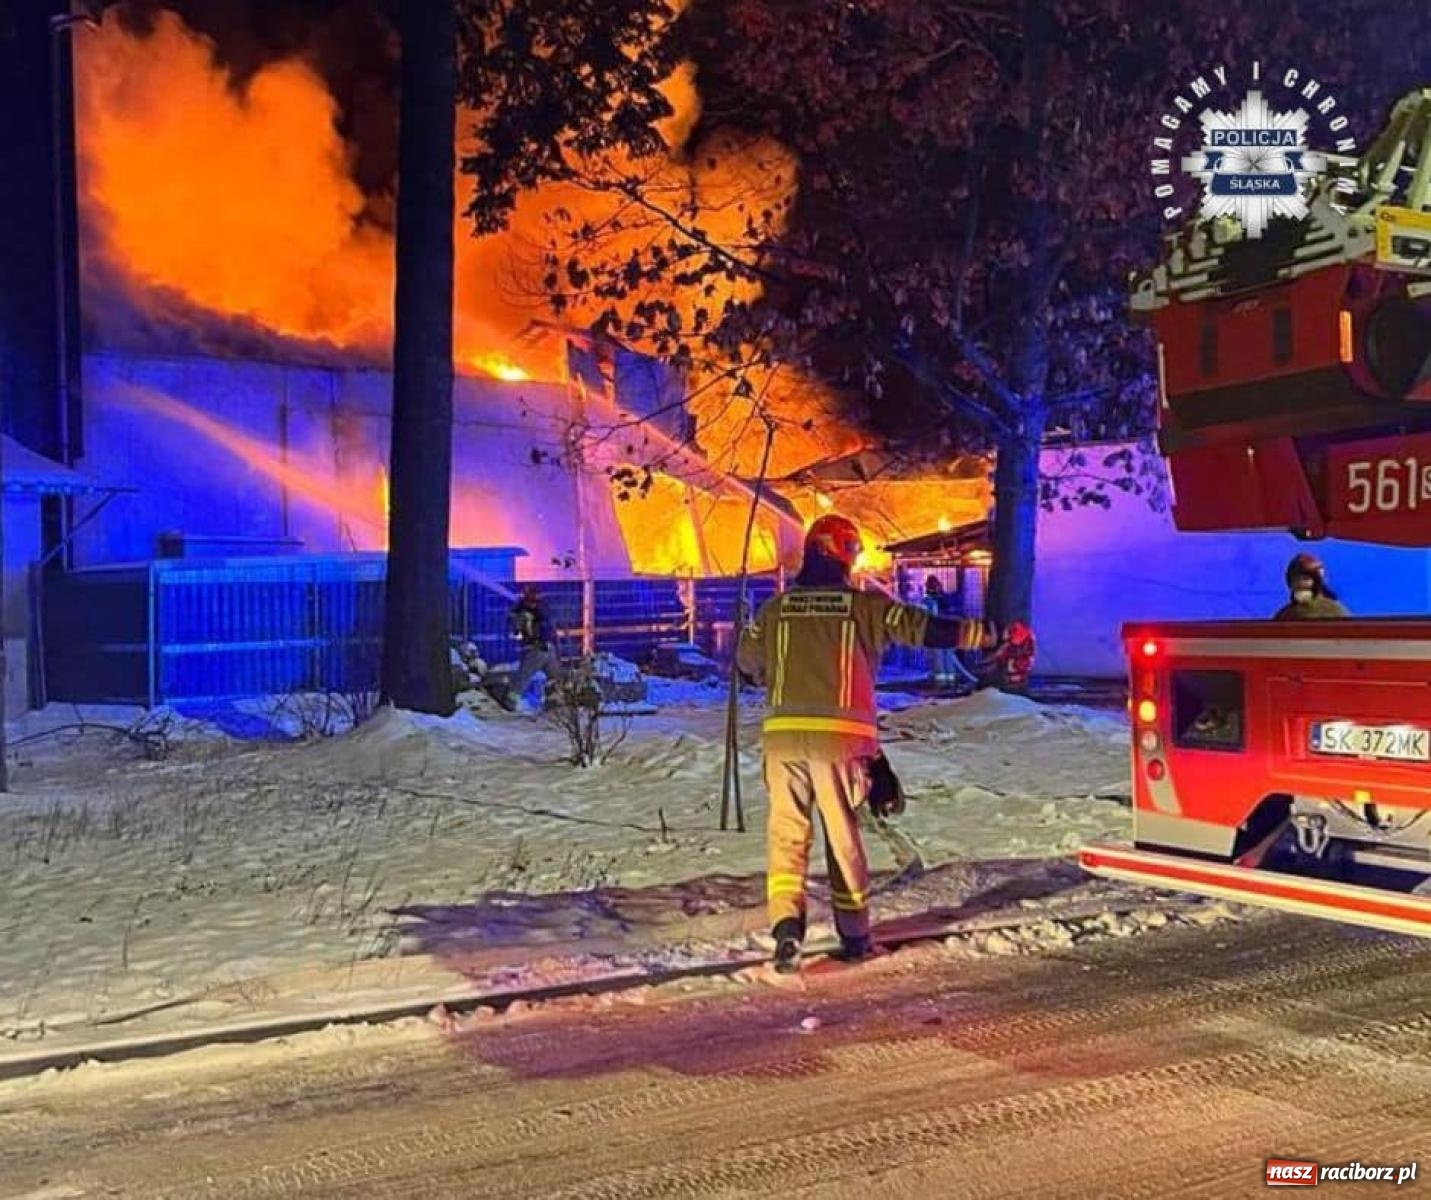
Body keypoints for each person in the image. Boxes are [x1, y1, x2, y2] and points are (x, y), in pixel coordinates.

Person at [736, 513, 1005, 973]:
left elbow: (745, 665)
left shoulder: (774, 610)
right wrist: (989, 634)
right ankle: (855, 935)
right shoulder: (864, 607)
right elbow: (925, 628)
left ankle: (786, 928)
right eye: (851, 551)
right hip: (839, 743)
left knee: (786, 835)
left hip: (781, 744)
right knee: (842, 838)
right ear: (837, 553)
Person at [504, 586, 564, 710]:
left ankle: (554, 703)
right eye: (531, 598)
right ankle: (509, 703)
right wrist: (523, 636)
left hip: (548, 648)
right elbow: (515, 631)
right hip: (534, 649)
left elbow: (551, 628)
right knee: (523, 677)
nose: (534, 601)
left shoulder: (542, 610)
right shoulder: (522, 613)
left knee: (555, 678)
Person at [1274, 553, 1350, 620]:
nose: (1300, 584)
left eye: (1305, 579)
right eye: (1295, 580)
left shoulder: (1335, 611)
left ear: (1316, 582)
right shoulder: (1284, 615)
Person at [923, 575, 959, 690]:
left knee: (938, 659)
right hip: (949, 635)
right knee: (948, 657)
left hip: (936, 635)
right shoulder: (946, 599)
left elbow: (928, 618)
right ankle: (951, 682)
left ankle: (940, 684)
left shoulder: (929, 601)